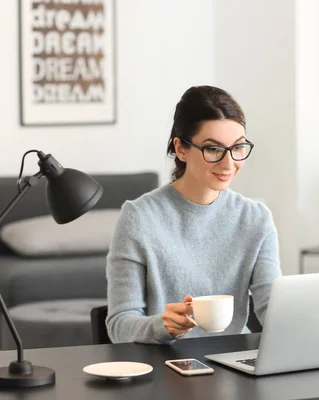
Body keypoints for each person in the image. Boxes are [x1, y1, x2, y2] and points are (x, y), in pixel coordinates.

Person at [105, 85, 282, 344]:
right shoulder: (139, 218)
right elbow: (119, 325)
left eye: (238, 147)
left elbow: (273, 312)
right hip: (165, 365)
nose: (229, 163)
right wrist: (161, 325)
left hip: (234, 362)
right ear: (181, 148)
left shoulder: (256, 219)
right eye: (213, 149)